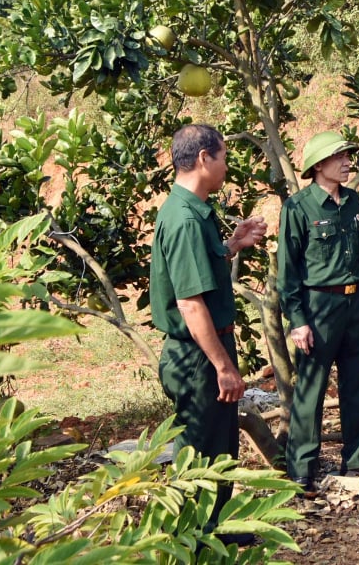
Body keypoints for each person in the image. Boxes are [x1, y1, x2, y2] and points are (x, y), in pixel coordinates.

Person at [150, 123, 267, 544]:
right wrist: (223, 365)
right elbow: (190, 303)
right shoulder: (184, 220)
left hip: (203, 350)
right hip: (198, 355)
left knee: (217, 445)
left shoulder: (193, 211)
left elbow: (200, 271)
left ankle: (213, 531)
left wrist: (232, 246)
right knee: (201, 451)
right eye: (223, 158)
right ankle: (195, 539)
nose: (226, 167)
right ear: (204, 158)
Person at [278, 131, 359, 494]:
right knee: (311, 389)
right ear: (318, 165)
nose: (347, 163)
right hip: (319, 307)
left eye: (348, 156)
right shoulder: (298, 208)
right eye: (339, 157)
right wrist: (298, 321)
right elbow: (288, 272)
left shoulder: (352, 201)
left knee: (356, 384)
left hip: (354, 304)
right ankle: (302, 467)